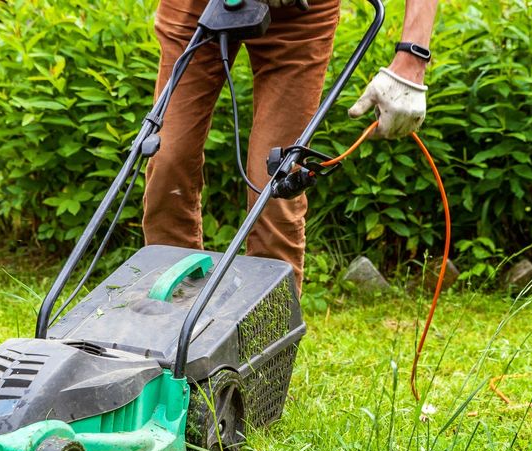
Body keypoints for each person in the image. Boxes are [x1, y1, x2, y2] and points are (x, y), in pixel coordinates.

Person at [142, 0, 438, 288]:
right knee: (168, 159)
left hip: (300, 14)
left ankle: (267, 327)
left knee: (274, 187)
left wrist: (412, 57)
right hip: (196, 8)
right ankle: (168, 317)